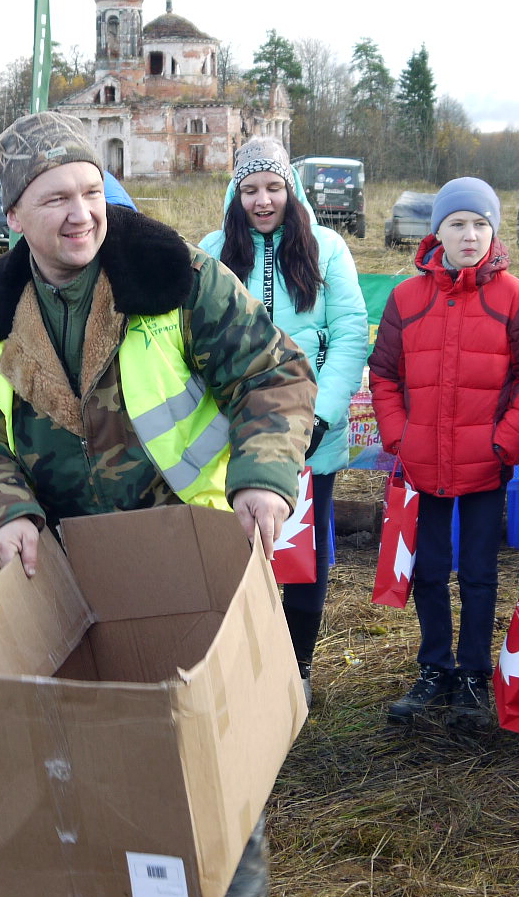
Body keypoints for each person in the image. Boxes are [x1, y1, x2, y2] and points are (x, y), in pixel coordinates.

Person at [0, 111, 317, 897]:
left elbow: (272, 374)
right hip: (67, 578)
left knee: (216, 773)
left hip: (191, 556)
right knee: (98, 771)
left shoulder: (169, 274)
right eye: (55, 199)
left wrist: (261, 476)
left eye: (89, 191)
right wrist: (4, 513)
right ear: (14, 216)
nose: (81, 213)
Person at [200, 137, 368, 705]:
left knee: (301, 551)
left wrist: (318, 416)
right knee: (233, 549)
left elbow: (349, 333)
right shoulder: (213, 250)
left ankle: (297, 667)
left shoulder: (328, 248)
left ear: (291, 191)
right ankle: (238, 664)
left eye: (273, 187)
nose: (263, 200)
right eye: (250, 189)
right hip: (233, 435)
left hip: (311, 436)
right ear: (236, 193)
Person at [369, 177, 519, 730]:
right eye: (458, 223)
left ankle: (474, 677)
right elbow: (384, 374)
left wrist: (503, 442)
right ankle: (434, 667)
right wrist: (399, 436)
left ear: (493, 232)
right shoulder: (407, 298)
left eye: (481, 224)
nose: (470, 235)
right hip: (423, 464)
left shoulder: (513, 297)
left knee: (479, 573)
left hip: (485, 465)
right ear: (438, 232)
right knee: (429, 571)